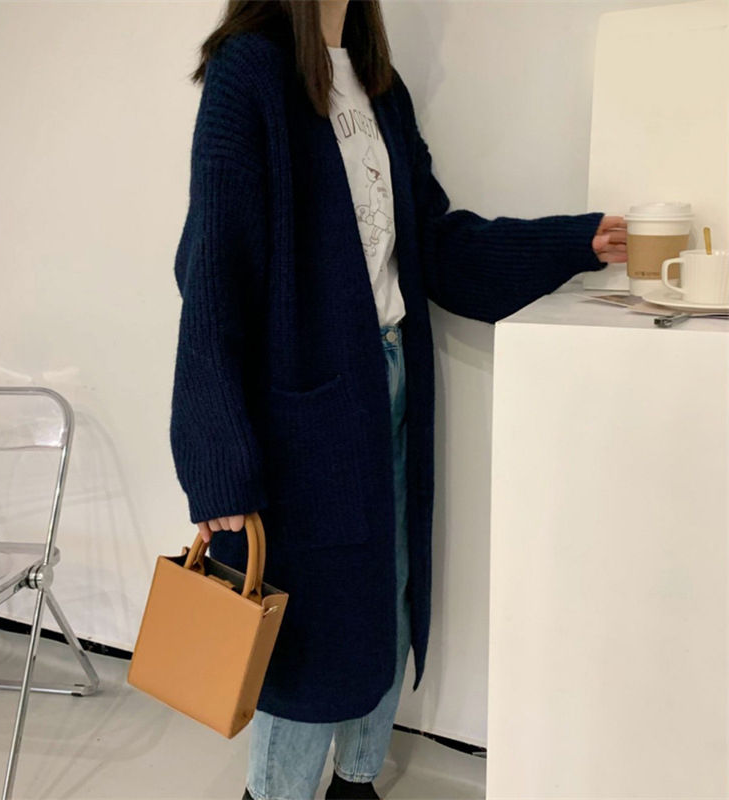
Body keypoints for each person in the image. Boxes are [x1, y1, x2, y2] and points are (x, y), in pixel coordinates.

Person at [169, 1, 627, 798]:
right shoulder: (252, 72)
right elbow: (213, 273)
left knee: (391, 594)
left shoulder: (381, 87)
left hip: (392, 383)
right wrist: (217, 460)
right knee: (307, 629)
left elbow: (435, 245)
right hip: (304, 412)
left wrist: (571, 242)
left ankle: (357, 782)